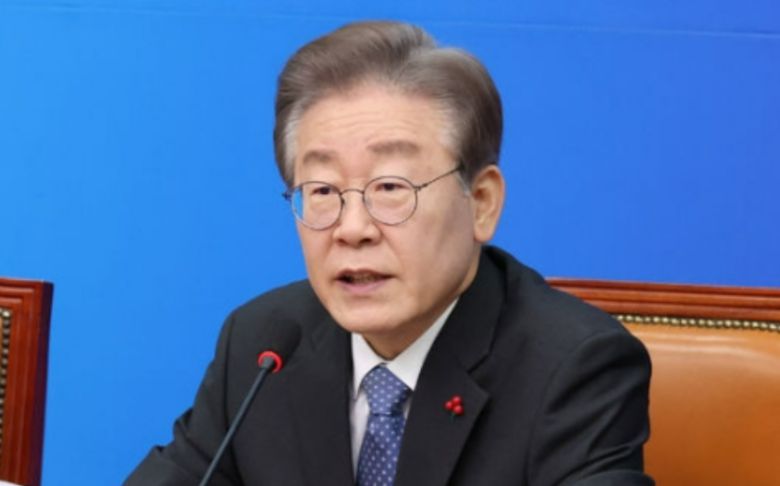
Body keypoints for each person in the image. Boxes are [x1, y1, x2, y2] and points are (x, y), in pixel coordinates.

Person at [127, 21, 653, 485]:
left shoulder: (573, 367)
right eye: (323, 190)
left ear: (482, 202)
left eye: (390, 187)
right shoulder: (262, 346)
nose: (352, 229)